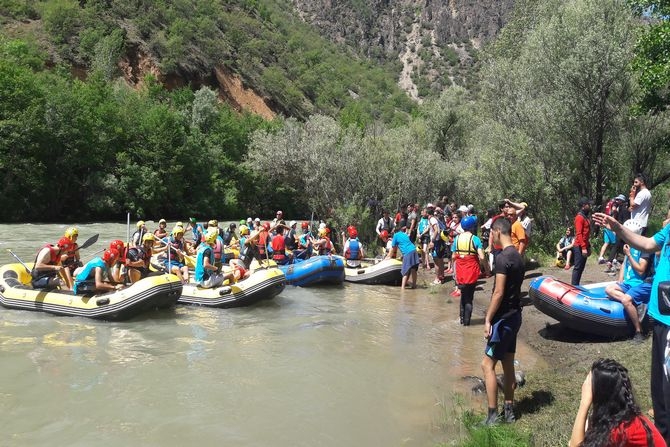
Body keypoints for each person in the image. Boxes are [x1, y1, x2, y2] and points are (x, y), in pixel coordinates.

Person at [594, 210, 670, 443]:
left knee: (668, 392)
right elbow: (647, 243)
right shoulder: (669, 229)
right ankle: (662, 437)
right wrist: (618, 228)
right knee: (658, 390)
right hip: (659, 318)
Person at [481, 217, 524, 425]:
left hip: (502, 320)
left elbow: (498, 292)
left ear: (497, 232)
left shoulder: (501, 258)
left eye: (491, 233)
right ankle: (509, 411)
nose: (490, 237)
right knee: (507, 363)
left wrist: (488, 318)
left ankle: (492, 416)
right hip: (515, 316)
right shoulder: (518, 256)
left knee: (486, 366)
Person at [569, 358, 665, 447]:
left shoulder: (622, 428)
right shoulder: (620, 412)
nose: (585, 386)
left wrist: (584, 403)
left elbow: (574, 445)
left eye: (588, 383)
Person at [604, 220, 653, 342]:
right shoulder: (628, 246)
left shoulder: (644, 248)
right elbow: (624, 265)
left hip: (642, 283)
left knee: (626, 300)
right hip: (629, 283)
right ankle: (634, 304)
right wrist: (620, 281)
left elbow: (641, 270)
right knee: (609, 289)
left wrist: (629, 255)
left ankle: (639, 331)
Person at [452, 216, 486, 325]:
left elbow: (453, 257)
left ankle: (461, 320)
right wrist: (486, 269)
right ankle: (467, 323)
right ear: (472, 227)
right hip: (471, 272)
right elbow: (481, 257)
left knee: (463, 295)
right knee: (469, 298)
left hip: (460, 272)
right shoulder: (475, 239)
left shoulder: (457, 239)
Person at [386, 223, 420, 289]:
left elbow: (393, 248)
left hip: (408, 253)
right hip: (414, 250)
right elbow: (405, 244)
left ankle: (402, 288)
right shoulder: (404, 234)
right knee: (413, 270)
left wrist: (388, 257)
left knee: (405, 271)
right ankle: (414, 285)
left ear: (395, 231)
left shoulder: (395, 235)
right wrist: (402, 256)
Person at [572, 197, 592, 285]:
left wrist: (588, 246)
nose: (590, 206)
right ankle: (574, 286)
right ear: (583, 206)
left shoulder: (585, 217)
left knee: (581, 268)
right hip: (579, 246)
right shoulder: (579, 217)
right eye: (588, 204)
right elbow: (579, 234)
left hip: (584, 245)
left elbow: (586, 234)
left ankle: (577, 285)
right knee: (578, 267)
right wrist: (583, 248)